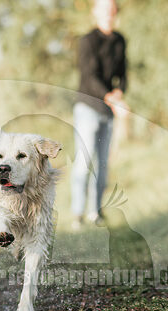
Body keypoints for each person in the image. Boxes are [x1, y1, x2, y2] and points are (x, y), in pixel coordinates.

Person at [71, 0, 127, 229]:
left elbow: (123, 74)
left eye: (112, 10)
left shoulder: (120, 41)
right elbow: (90, 76)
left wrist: (120, 92)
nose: (109, 14)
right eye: (104, 10)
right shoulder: (87, 41)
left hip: (107, 110)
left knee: (103, 165)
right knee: (84, 163)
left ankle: (96, 213)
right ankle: (77, 214)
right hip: (87, 107)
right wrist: (111, 97)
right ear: (95, 13)